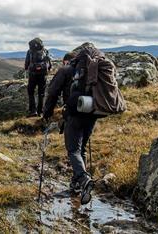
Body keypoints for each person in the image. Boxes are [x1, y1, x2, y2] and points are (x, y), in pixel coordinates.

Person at [42, 43, 103, 205]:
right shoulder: (94, 70)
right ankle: (77, 184)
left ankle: (83, 179)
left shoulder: (66, 70)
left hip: (74, 114)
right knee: (81, 147)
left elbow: (52, 92)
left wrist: (47, 113)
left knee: (73, 149)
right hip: (93, 112)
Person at [24, 38, 52, 117]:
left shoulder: (29, 51)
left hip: (33, 74)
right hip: (43, 74)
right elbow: (49, 64)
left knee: (31, 92)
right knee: (41, 93)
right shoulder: (45, 51)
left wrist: (27, 68)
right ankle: (40, 111)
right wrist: (48, 69)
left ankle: (33, 111)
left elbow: (27, 63)